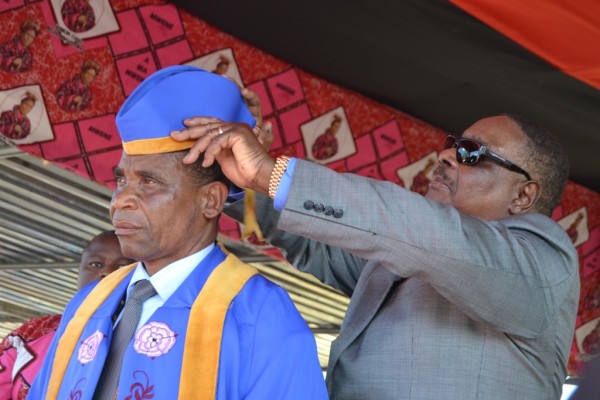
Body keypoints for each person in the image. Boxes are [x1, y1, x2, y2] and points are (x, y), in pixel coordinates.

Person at [170, 107, 580, 399]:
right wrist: (235, 179)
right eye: (452, 144)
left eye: (471, 153)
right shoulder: (410, 249)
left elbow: (425, 232)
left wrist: (271, 171)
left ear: (524, 195)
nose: (445, 156)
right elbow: (319, 240)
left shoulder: (542, 262)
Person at [29, 65, 327, 400]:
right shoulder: (88, 304)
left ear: (211, 200)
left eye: (150, 182)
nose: (120, 201)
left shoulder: (259, 314)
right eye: (121, 180)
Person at [0, 230, 134, 400]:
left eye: (122, 266)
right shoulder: (31, 334)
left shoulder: (151, 337)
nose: (106, 273)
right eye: (95, 264)